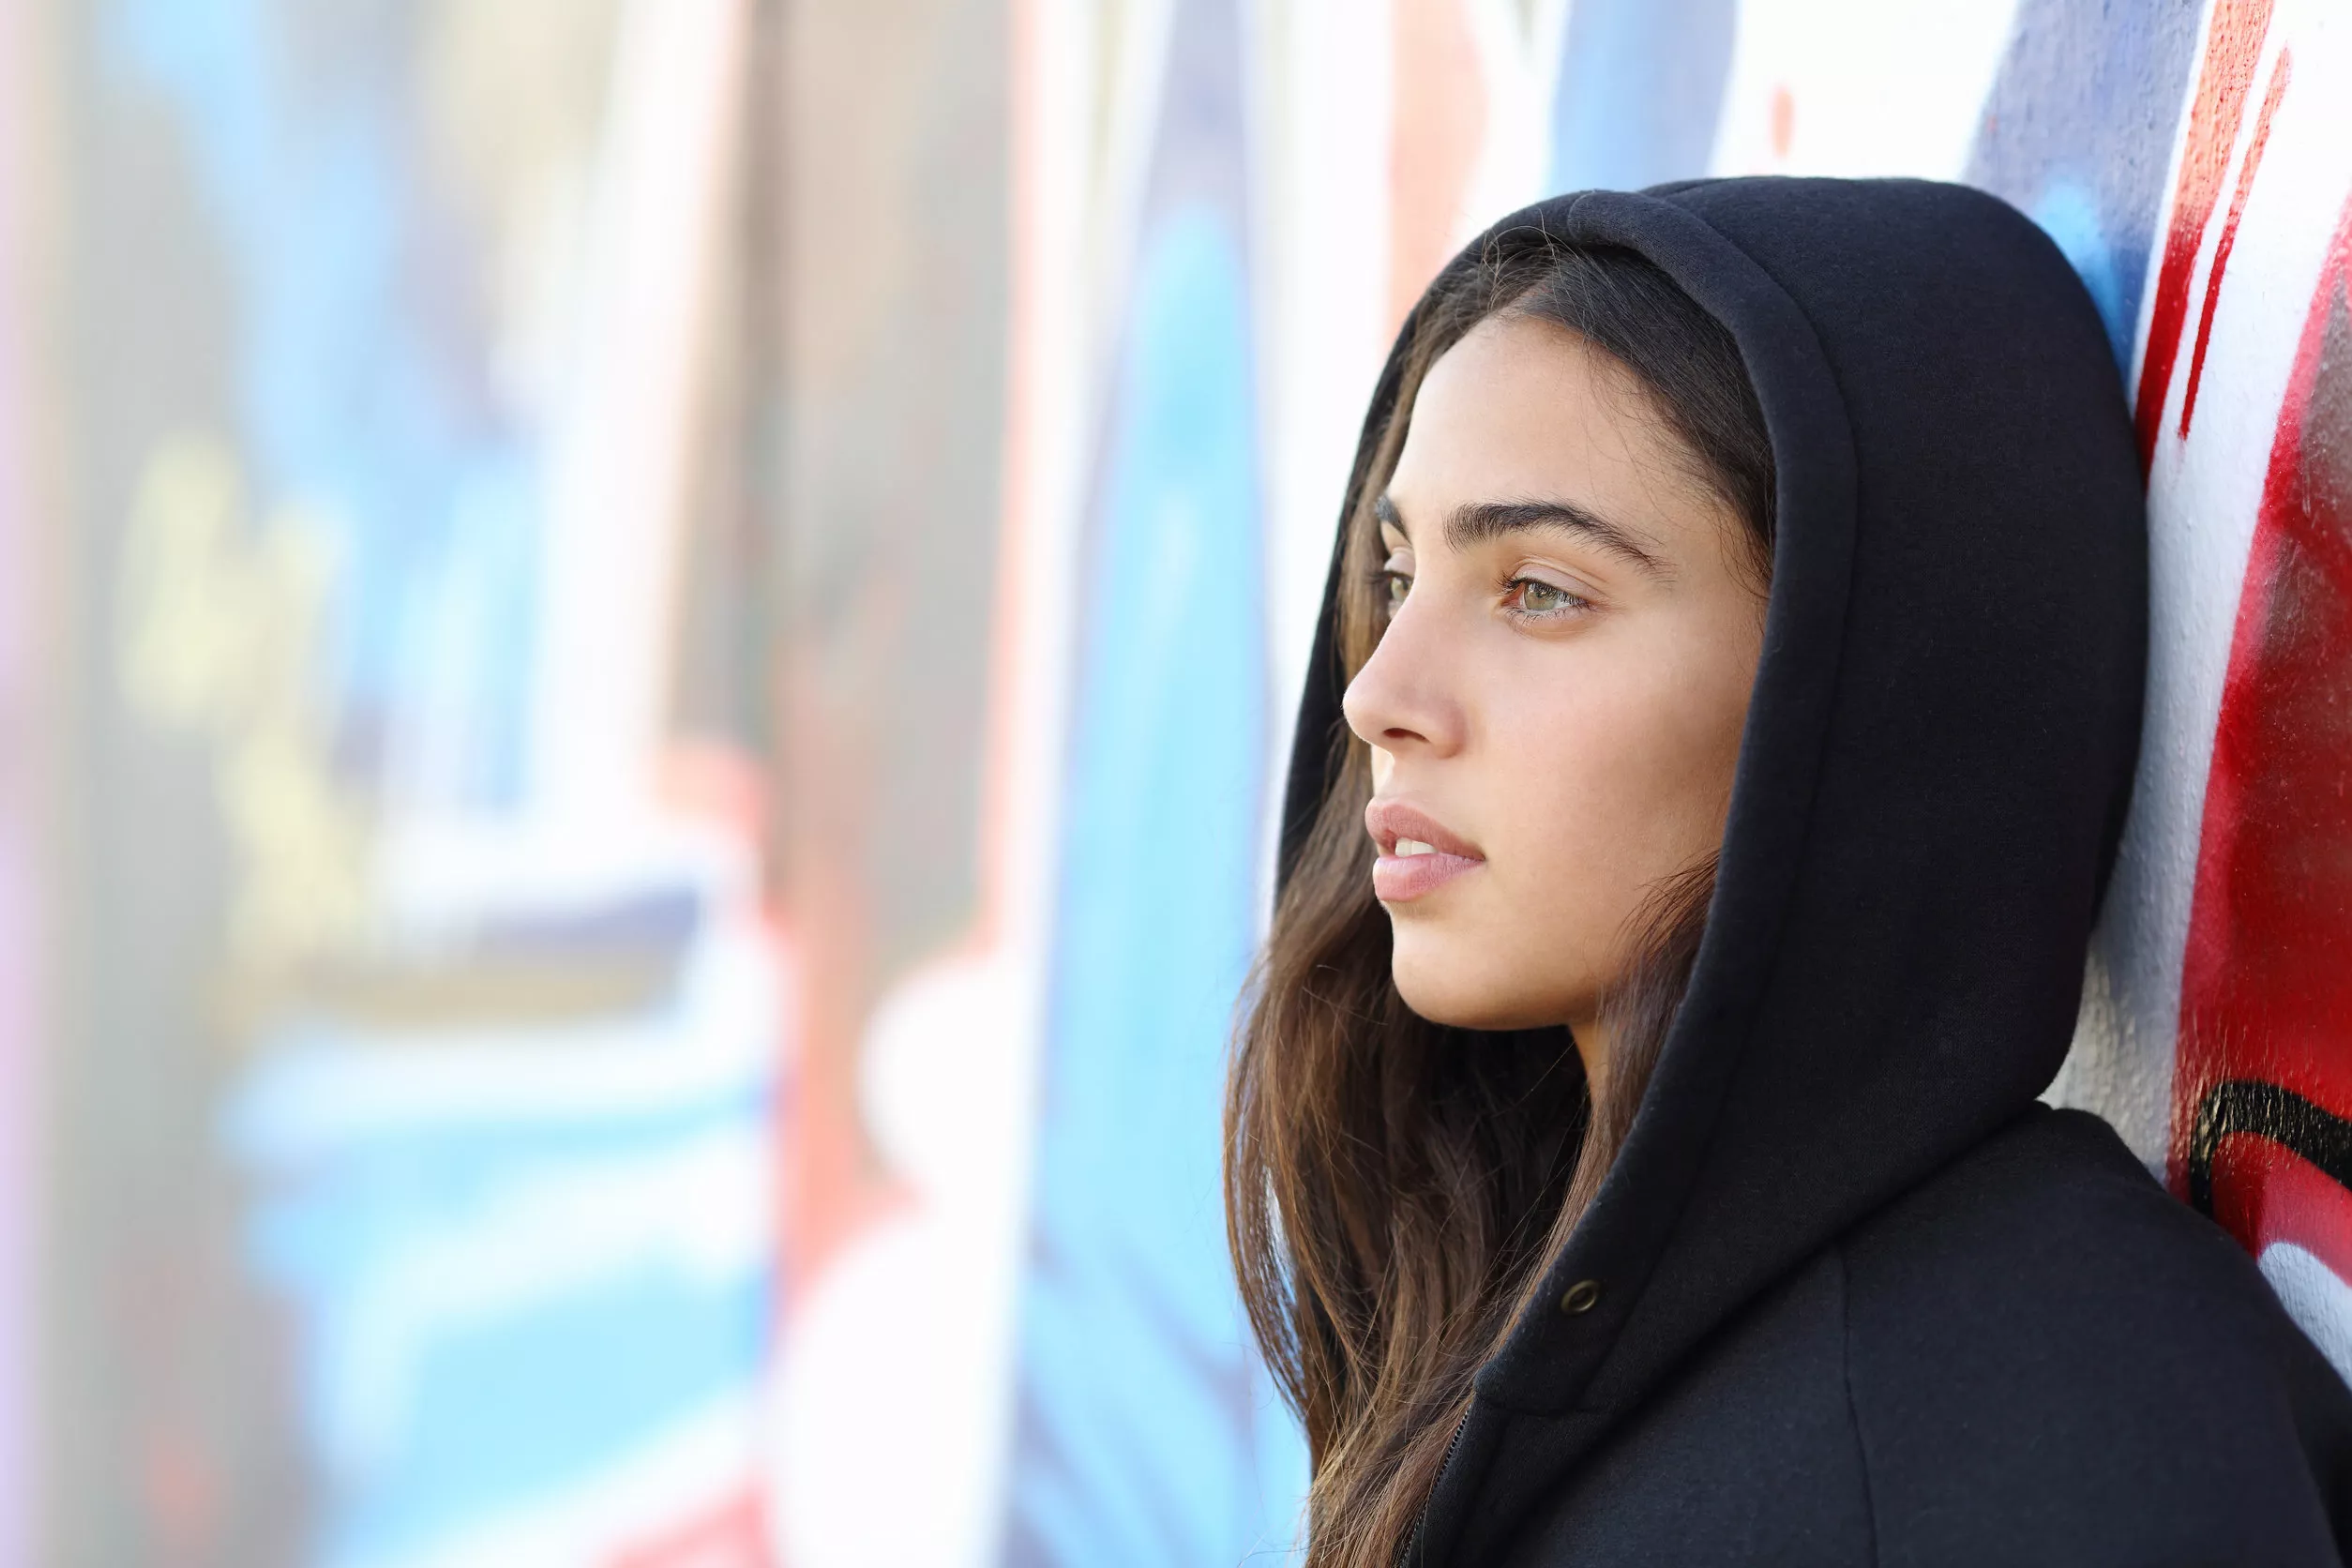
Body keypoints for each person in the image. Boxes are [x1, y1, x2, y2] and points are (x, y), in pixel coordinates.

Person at [1224, 176, 2352, 1566]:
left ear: (1858, 684)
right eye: (1398, 579)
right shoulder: (1549, 1344)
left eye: (1540, 591)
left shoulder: (2054, 1403)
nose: (1380, 694)